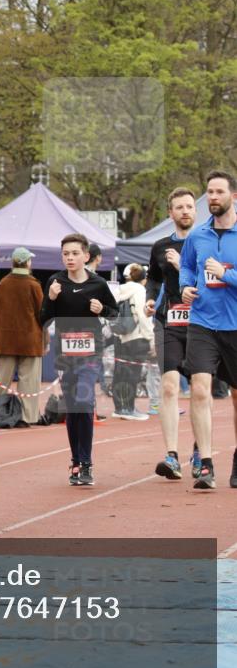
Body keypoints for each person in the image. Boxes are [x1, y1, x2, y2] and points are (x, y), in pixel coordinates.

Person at [40, 233, 118, 486]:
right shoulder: (55, 282)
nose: (70, 258)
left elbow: (115, 313)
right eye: (66, 254)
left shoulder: (98, 284)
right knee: (73, 407)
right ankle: (76, 459)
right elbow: (43, 319)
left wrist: (102, 309)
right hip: (65, 354)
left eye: (75, 253)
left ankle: (86, 463)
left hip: (90, 352)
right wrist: (51, 299)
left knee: (84, 402)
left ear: (86, 256)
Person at [179, 170, 237, 490]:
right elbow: (187, 266)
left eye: (219, 192)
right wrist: (185, 286)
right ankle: (205, 462)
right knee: (200, 389)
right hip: (202, 321)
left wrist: (226, 275)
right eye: (209, 192)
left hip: (235, 325)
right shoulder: (197, 235)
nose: (212, 197)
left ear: (233, 196)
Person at [146, 187, 199, 481]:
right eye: (179, 207)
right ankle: (172, 455)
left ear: (195, 210)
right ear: (171, 213)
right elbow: (153, 279)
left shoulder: (204, 242)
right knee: (169, 387)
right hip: (168, 322)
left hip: (200, 324)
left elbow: (211, 279)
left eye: (189, 206)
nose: (185, 211)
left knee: (200, 390)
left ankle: (199, 449)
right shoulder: (159, 246)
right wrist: (150, 299)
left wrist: (182, 266)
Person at [0, 247, 46, 423]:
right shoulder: (33, 285)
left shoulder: (4, 283)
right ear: (28, 263)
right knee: (29, 382)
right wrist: (45, 339)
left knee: (1, 381)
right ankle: (28, 416)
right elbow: (42, 314)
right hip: (30, 339)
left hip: (6, 339)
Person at [111, 264, 154, 421]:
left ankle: (119, 407)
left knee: (120, 373)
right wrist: (150, 337)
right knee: (133, 375)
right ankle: (128, 408)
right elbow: (144, 316)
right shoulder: (140, 290)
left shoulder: (118, 290)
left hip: (119, 336)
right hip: (136, 337)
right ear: (144, 278)